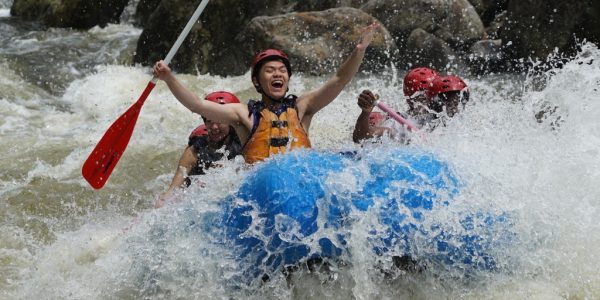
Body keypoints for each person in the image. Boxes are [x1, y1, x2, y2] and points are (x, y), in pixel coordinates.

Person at [153, 23, 379, 163]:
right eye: (269, 71)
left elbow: (339, 80)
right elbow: (197, 106)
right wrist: (169, 78)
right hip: (264, 189)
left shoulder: (303, 107)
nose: (277, 74)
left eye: (282, 70)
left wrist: (359, 50)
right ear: (256, 81)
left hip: (302, 181)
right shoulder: (244, 115)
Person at [157, 91, 243, 208]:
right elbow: (173, 190)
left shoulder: (245, 144)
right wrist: (160, 207)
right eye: (209, 120)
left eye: (220, 121)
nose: (214, 127)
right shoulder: (195, 150)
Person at [352, 68, 469, 143]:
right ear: (410, 100)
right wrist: (366, 112)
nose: (430, 101)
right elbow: (360, 138)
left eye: (433, 96)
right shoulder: (400, 125)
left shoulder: (444, 120)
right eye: (423, 97)